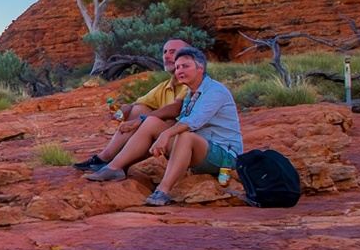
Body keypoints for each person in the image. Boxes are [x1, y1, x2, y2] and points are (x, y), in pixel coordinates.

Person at [84, 47, 243, 206]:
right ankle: (114, 168)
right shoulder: (191, 93)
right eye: (178, 66)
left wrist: (165, 135)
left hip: (224, 156)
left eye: (185, 66)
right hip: (199, 149)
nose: (179, 70)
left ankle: (163, 191)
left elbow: (192, 122)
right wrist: (142, 122)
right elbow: (177, 120)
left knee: (185, 136)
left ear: (200, 68)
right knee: (152, 123)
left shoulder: (215, 91)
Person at [72, 38, 192, 172]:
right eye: (164, 52)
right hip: (168, 139)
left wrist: (140, 120)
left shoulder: (193, 83)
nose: (166, 56)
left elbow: (176, 109)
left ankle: (112, 162)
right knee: (139, 109)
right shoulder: (165, 86)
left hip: (188, 144)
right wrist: (121, 112)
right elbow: (137, 104)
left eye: (173, 52)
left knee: (152, 121)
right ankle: (108, 159)